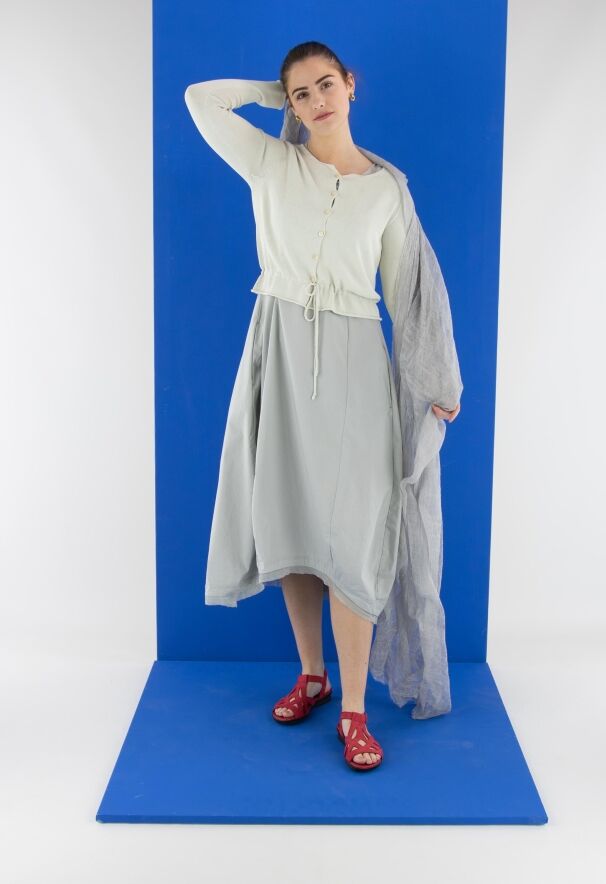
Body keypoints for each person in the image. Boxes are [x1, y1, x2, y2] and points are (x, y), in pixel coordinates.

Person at [184, 41, 460, 771]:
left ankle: (354, 710)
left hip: (354, 364)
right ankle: (312, 675)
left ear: (351, 85)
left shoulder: (386, 191)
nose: (316, 101)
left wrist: (437, 382)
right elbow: (199, 100)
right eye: (301, 93)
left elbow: (410, 295)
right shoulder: (272, 164)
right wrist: (269, 92)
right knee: (290, 518)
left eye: (325, 85)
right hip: (276, 352)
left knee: (355, 533)